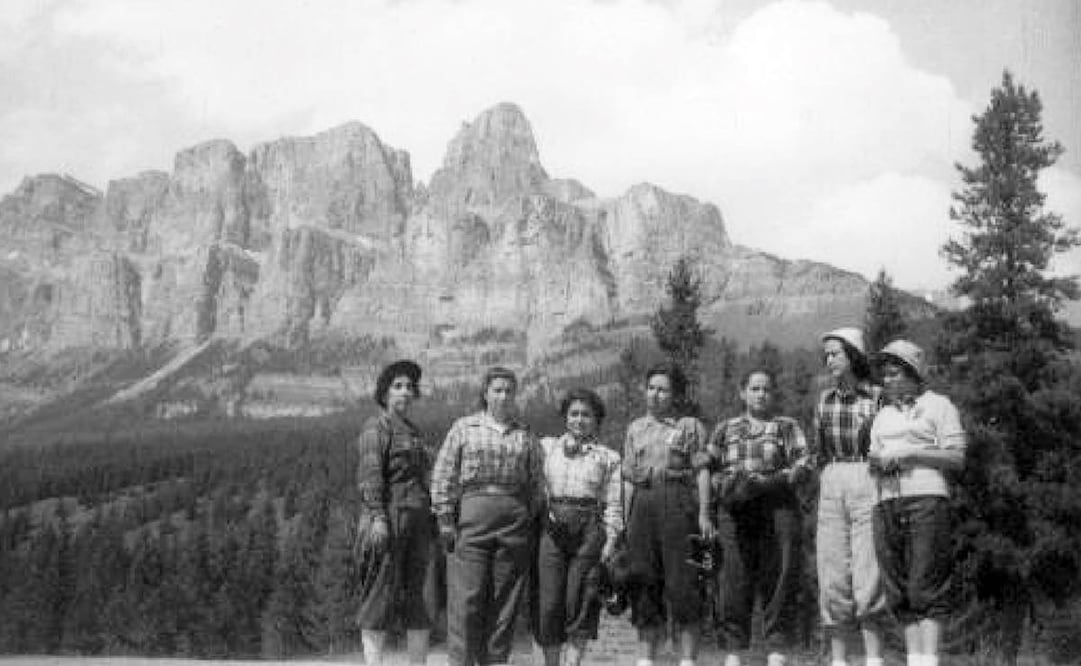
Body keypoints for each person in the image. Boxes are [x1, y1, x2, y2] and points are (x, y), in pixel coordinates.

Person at [430, 366, 544, 666]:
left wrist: (524, 516)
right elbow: (443, 475)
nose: (503, 396)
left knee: (505, 601)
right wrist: (444, 519)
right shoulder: (464, 428)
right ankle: (462, 660)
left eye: (509, 390)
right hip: (471, 521)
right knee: (467, 599)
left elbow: (536, 483)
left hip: (514, 524)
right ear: (485, 393)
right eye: (497, 389)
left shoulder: (525, 433)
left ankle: (496, 660)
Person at [868, 340, 965, 666]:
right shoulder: (883, 415)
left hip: (926, 497)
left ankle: (929, 659)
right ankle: (914, 658)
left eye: (894, 373)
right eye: (885, 375)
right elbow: (874, 456)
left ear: (913, 374)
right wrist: (878, 462)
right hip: (885, 501)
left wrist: (911, 454)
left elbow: (955, 457)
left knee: (928, 581)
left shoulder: (940, 406)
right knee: (897, 585)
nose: (887, 380)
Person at [709, 370, 810, 666]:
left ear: (773, 394)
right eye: (754, 388)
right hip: (735, 508)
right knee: (733, 577)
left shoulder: (786, 426)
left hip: (777, 505)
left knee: (778, 573)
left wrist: (775, 479)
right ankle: (733, 650)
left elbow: (803, 463)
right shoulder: (725, 428)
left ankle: (777, 648)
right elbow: (707, 466)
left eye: (766, 389)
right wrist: (724, 485)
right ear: (743, 393)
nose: (761, 394)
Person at [622, 361, 714, 666]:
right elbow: (627, 478)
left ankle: (687, 660)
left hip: (678, 502)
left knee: (684, 583)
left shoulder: (688, 426)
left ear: (674, 394)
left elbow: (701, 471)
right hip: (643, 505)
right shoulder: (635, 428)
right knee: (644, 580)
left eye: (663, 390)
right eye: (651, 388)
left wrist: (704, 513)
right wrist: (625, 520)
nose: (655, 395)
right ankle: (646, 659)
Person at [812, 328, 888, 666]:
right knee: (831, 572)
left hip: (867, 477)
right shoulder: (824, 401)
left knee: (868, 569)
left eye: (835, 354)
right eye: (826, 355)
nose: (829, 360)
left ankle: (874, 659)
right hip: (832, 479)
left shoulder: (876, 398)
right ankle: (838, 660)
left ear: (853, 356)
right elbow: (819, 451)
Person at [534, 388, 624, 666]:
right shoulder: (545, 447)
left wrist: (610, 541)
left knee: (581, 599)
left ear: (596, 420)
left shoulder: (609, 457)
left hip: (589, 530)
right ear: (565, 417)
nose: (580, 420)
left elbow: (614, 504)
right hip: (552, 529)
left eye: (587, 415)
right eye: (574, 414)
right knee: (549, 603)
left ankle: (573, 663)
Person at [355, 359, 434, 666]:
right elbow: (370, 474)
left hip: (419, 520)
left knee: (423, 594)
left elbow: (427, 475)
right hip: (388, 516)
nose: (405, 392)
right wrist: (377, 517)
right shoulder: (376, 427)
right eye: (397, 386)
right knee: (379, 592)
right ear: (384, 393)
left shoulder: (415, 432)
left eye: (410, 387)